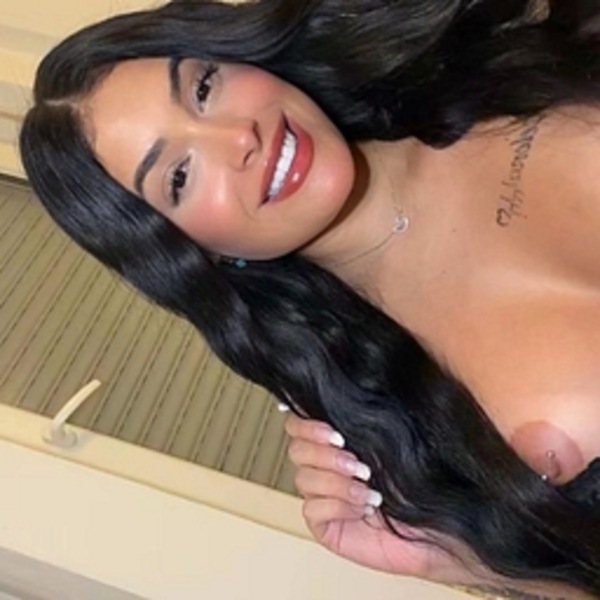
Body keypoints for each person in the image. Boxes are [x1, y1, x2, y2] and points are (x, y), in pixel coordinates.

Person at [18, 0, 600, 597]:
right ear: (193, 255)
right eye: (180, 177)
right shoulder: (382, 421)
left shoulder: (494, 49)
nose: (238, 137)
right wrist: (457, 561)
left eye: (204, 87)